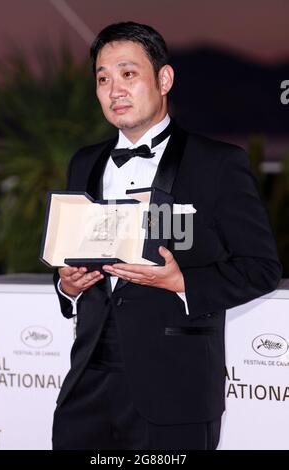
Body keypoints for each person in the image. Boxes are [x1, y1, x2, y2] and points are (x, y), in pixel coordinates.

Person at [52, 21, 282, 450]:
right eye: (102, 79)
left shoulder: (217, 163)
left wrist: (182, 282)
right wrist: (67, 286)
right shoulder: (84, 163)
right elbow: (75, 253)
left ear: (164, 79)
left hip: (175, 390)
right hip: (87, 387)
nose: (114, 89)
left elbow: (262, 269)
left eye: (128, 74)